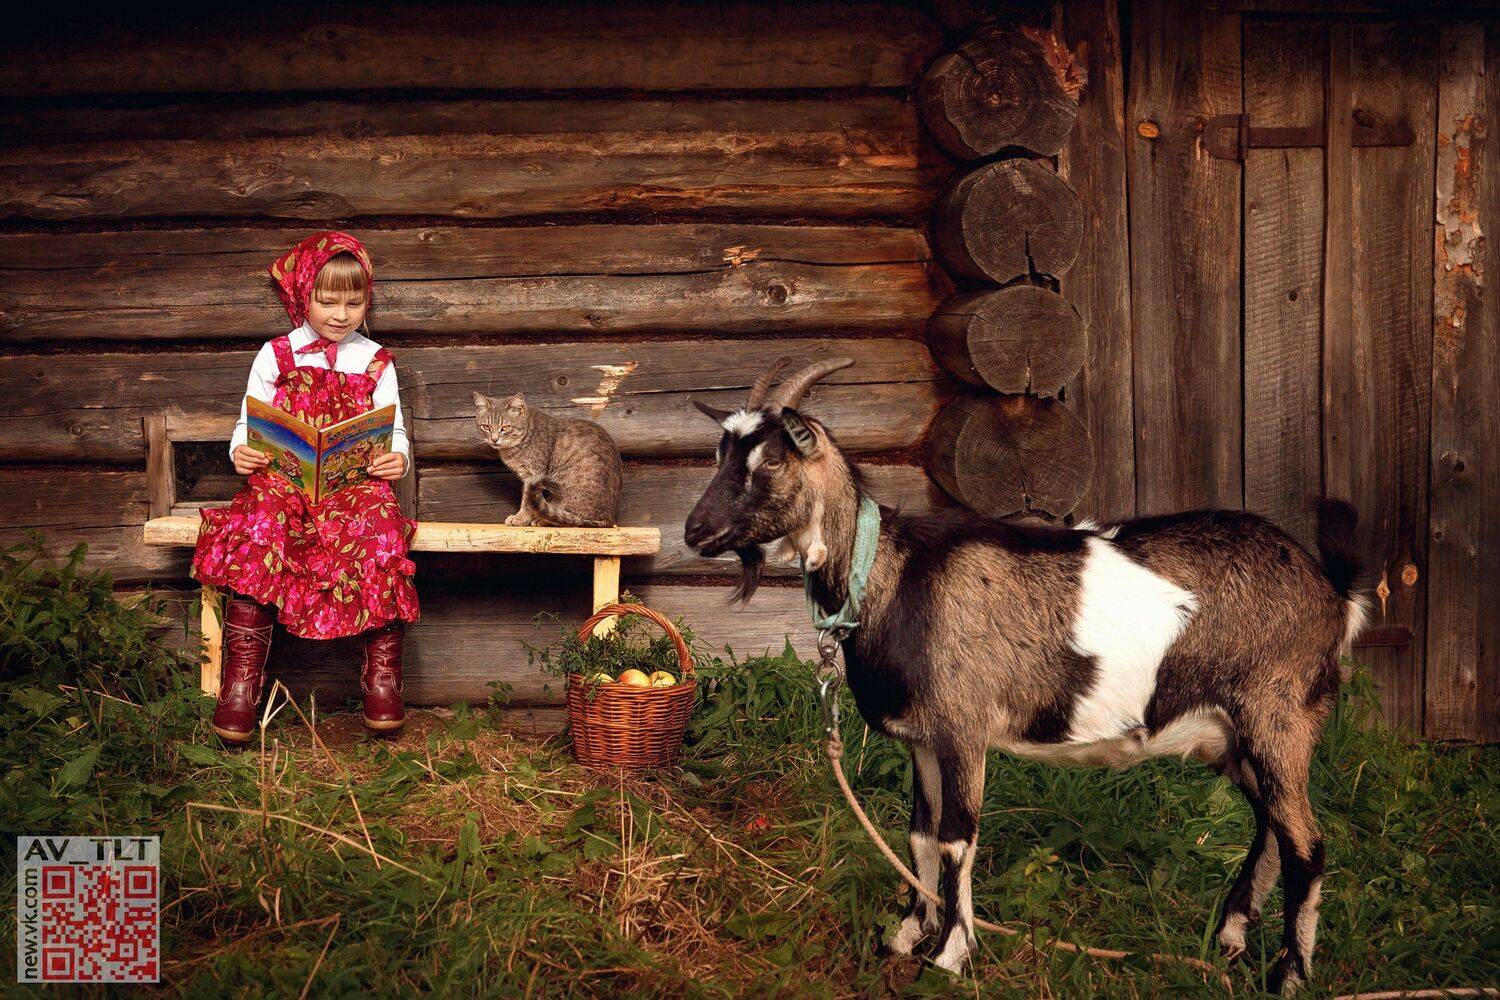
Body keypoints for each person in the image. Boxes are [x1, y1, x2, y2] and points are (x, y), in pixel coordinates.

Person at [192, 232, 419, 742]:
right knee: (259, 525)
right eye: (327, 301)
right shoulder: (275, 355)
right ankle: (240, 687)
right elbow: (247, 424)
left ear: (367, 301)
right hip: (285, 482)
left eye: (354, 303)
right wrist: (240, 452)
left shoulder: (377, 360)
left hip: (350, 485)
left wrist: (395, 458)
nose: (340, 315)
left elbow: (395, 427)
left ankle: (382, 680)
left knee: (380, 527)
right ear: (301, 294)